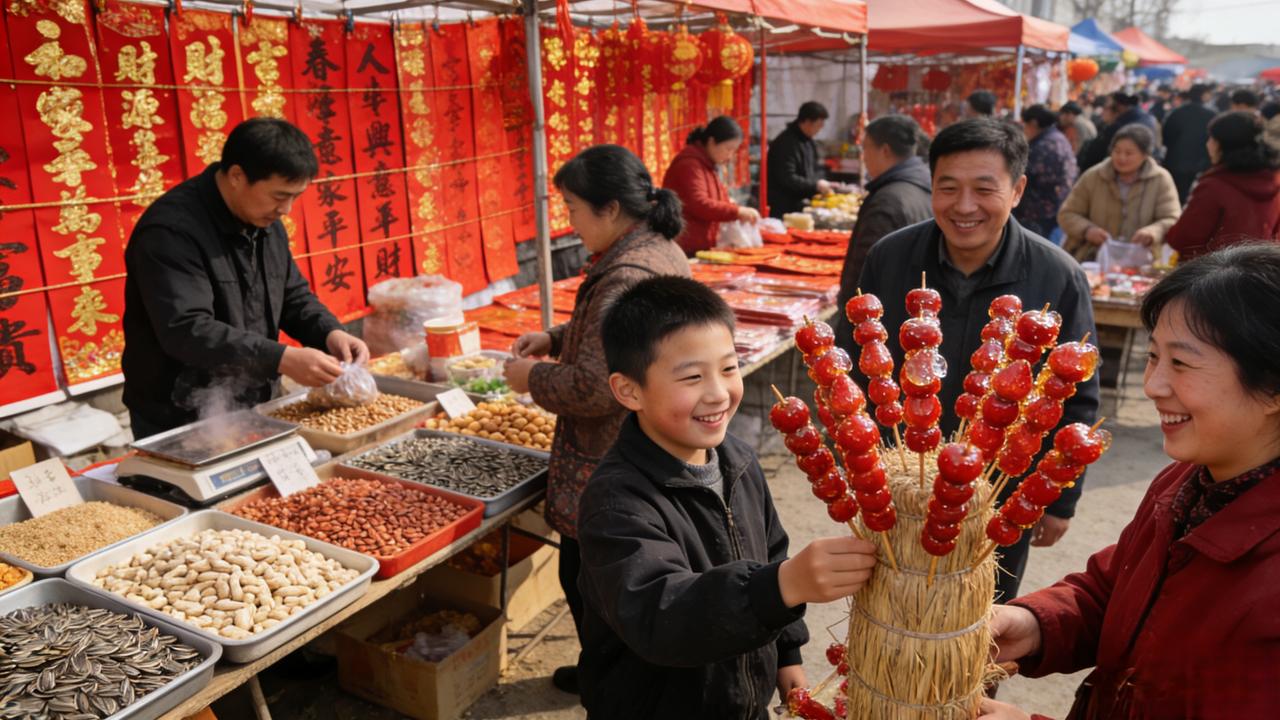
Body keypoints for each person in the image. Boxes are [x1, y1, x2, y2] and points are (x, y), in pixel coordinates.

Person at [979, 243, 1280, 720]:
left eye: (1181, 364)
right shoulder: (1183, 483)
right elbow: (1115, 590)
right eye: (1153, 356)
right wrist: (1034, 623)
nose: (1153, 386)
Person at [577, 275, 878, 718]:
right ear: (629, 390)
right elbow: (659, 616)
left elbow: (771, 551)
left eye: (729, 368)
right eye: (692, 377)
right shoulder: (616, 501)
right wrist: (781, 586)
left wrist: (788, 653)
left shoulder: (736, 459)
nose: (718, 393)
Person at [855, 117, 1099, 604]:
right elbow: (857, 365)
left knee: (982, 618)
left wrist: (1060, 500)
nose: (964, 206)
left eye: (984, 189)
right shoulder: (890, 258)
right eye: (948, 188)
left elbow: (1076, 399)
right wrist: (858, 466)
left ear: (1017, 190)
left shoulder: (1058, 277)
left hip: (997, 497)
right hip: (899, 489)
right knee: (889, 611)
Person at [501, 144, 690, 696]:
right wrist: (556, 338)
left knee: (596, 585)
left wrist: (531, 378)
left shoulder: (625, 273)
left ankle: (612, 689)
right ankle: (607, 676)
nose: (570, 222)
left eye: (573, 208)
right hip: (650, 449)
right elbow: (620, 337)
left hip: (612, 458)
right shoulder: (656, 248)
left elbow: (593, 386)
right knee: (617, 584)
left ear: (609, 209)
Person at [122, 118, 368, 439]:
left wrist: (329, 332)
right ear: (237, 176)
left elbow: (291, 295)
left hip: (256, 401)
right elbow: (187, 329)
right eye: (279, 196)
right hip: (180, 412)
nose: (287, 209)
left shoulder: (265, 221)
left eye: (295, 197)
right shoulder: (171, 232)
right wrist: (281, 358)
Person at [833, 115, 933, 356]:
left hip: (879, 329)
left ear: (885, 150)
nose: (863, 156)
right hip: (906, 319)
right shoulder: (923, 185)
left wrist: (850, 325)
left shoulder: (888, 200)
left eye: (866, 148)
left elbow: (862, 275)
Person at [1165, 111, 1280, 260]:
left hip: (1210, 270)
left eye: (1212, 139)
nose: (1208, 144)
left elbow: (1183, 239)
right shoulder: (1275, 182)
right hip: (1257, 268)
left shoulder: (1214, 187)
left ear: (1223, 145)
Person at [1059, 124, 1181, 263]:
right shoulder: (1094, 176)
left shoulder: (1160, 179)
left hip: (1142, 260)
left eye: (1129, 153)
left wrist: (1153, 232)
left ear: (1145, 155)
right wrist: (1087, 230)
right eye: (1117, 151)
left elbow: (1172, 218)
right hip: (1093, 257)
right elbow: (1067, 213)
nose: (1121, 158)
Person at [662, 116, 759, 255]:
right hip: (685, 246)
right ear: (712, 142)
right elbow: (699, 204)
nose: (730, 156)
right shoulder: (690, 165)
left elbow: (717, 200)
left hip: (699, 245)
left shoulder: (707, 164)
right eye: (728, 149)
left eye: (733, 151)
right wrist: (736, 211)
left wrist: (734, 208)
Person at [1016, 104, 1078, 241]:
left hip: (1039, 213)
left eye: (1025, 125)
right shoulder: (1058, 138)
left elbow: (1025, 177)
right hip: (1056, 208)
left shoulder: (1042, 146)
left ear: (1033, 123)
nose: (1024, 130)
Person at [767, 102, 832, 218]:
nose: (820, 129)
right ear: (807, 122)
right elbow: (787, 177)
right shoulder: (786, 143)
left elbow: (814, 168)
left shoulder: (808, 141)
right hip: (785, 207)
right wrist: (815, 185)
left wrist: (820, 182)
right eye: (818, 125)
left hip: (801, 204)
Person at [1162, 83, 1218, 202]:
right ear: (1204, 95)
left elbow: (1166, 137)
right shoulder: (1212, 115)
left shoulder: (1176, 112)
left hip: (1175, 161)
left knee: (1172, 196)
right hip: (1200, 164)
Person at [1078, 92, 1158, 172]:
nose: (1102, 111)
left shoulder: (1120, 127)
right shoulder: (1144, 116)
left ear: (1119, 107)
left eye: (1106, 107)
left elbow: (1097, 155)